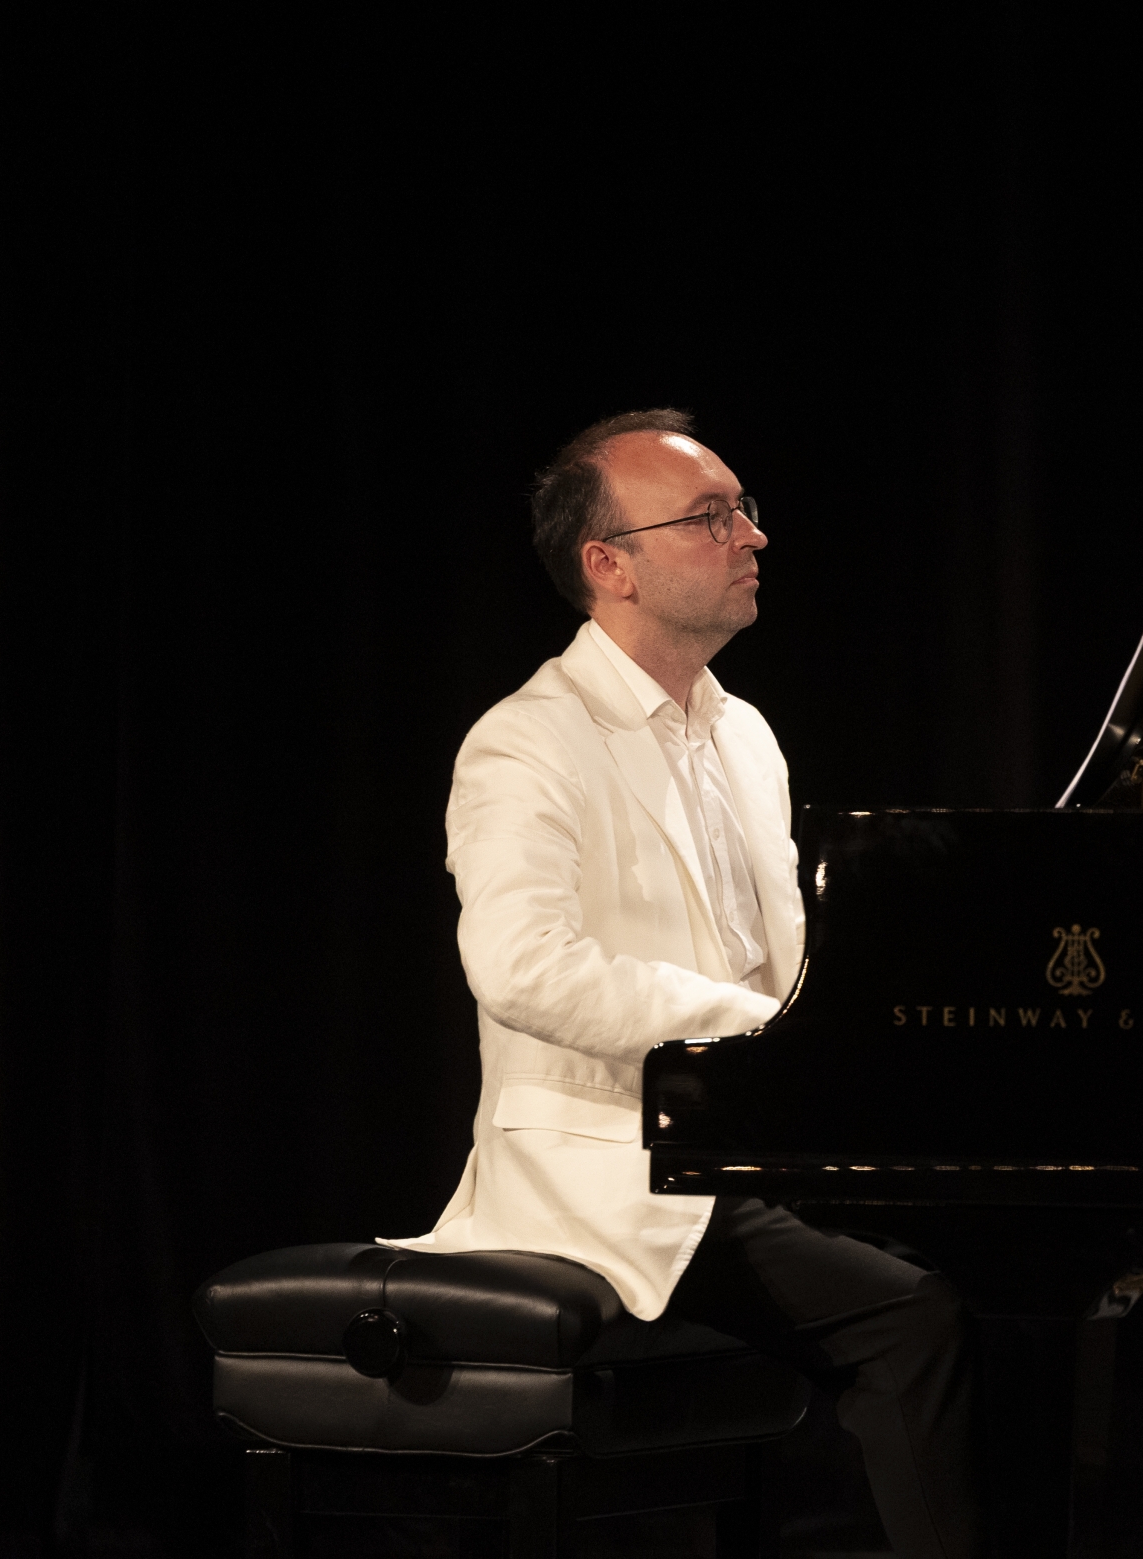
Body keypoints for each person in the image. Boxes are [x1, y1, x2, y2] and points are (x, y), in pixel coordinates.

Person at [387, 408, 980, 1556]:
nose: (752, 536)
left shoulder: (743, 732)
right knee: (915, 1320)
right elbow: (521, 967)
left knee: (994, 1271)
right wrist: (765, 1030)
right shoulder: (525, 741)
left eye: (745, 510)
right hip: (617, 1165)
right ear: (609, 566)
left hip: (749, 1146)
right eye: (711, 518)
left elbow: (782, 951)